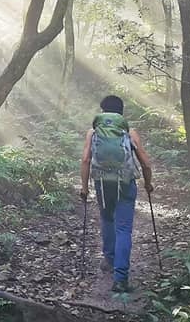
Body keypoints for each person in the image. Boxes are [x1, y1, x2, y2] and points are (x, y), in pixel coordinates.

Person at [79, 94, 153, 293]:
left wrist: (85, 188)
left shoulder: (92, 133)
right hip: (125, 184)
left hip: (102, 184)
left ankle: (109, 259)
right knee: (123, 229)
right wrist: (148, 183)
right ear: (122, 113)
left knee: (107, 219)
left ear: (102, 112)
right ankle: (120, 279)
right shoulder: (130, 132)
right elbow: (145, 162)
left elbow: (85, 160)